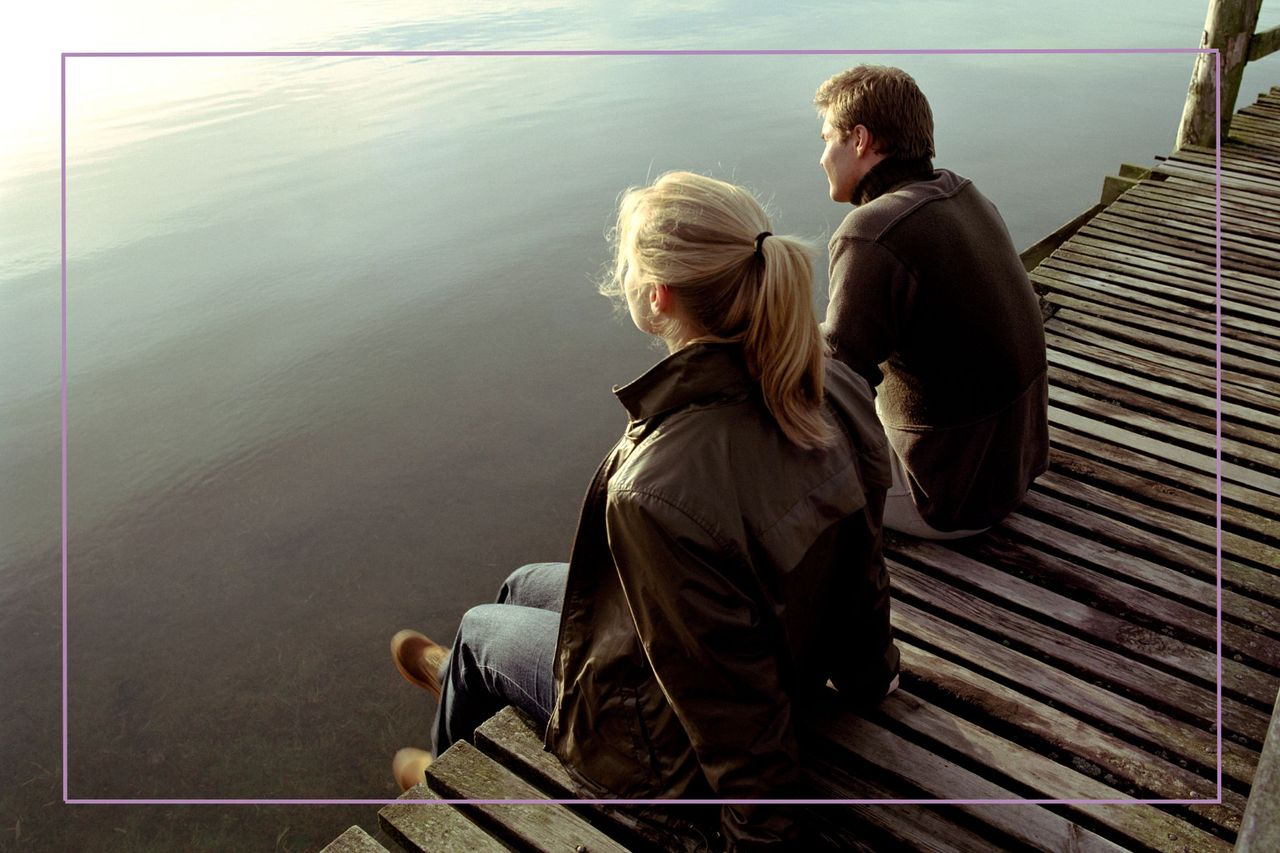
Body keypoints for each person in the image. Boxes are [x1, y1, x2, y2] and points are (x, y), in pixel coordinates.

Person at [389, 171, 899, 850]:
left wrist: (758, 837)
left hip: (666, 753)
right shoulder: (828, 377)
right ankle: (469, 683)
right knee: (520, 582)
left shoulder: (657, 489)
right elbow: (863, 563)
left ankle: (446, 789)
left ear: (657, 297)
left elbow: (731, 711)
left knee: (481, 628)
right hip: (791, 642)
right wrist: (871, 675)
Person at [814, 65, 1049, 539]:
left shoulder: (871, 232)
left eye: (827, 140)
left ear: (859, 140)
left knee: (791, 410)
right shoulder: (965, 194)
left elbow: (835, 383)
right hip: (1014, 465)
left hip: (947, 500)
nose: (822, 158)